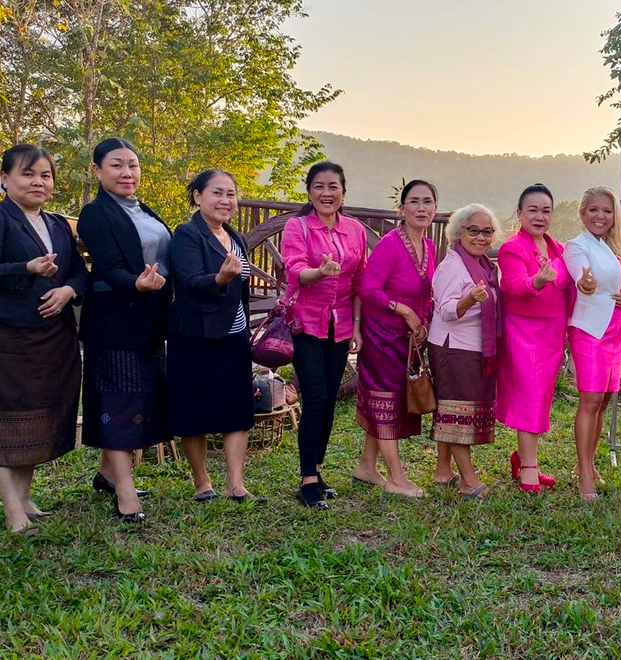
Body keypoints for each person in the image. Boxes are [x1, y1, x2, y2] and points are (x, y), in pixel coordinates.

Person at [77, 138, 172, 523]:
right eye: (116, 165)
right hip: (114, 324)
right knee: (117, 402)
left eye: (132, 165)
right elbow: (110, 267)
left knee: (140, 398)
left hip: (149, 321)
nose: (127, 173)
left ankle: (107, 474)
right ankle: (125, 491)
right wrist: (137, 283)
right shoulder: (95, 214)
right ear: (97, 170)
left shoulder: (143, 209)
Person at [0, 145, 88, 533]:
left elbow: (79, 273)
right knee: (10, 421)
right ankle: (13, 513)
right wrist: (27, 267)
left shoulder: (57, 225)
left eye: (45, 175)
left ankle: (24, 498)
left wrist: (68, 290)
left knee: (36, 419)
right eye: (28, 174)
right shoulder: (2, 218)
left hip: (55, 337)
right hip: (12, 336)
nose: (38, 182)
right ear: (5, 179)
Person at [167, 169, 263, 504]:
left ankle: (236, 484)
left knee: (237, 409)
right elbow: (190, 283)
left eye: (231, 194)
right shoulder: (187, 234)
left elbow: (242, 290)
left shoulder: (236, 237)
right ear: (198, 196)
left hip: (234, 336)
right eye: (217, 193)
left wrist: (245, 328)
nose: (225, 201)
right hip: (194, 336)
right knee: (193, 409)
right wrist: (220, 279)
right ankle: (202, 483)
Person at [282, 161, 366, 510]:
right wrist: (319, 272)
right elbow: (295, 270)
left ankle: (317, 471)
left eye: (333, 187)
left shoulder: (356, 230)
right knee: (316, 398)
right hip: (306, 323)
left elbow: (359, 283)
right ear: (309, 191)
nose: (326, 193)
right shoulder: (297, 226)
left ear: (343, 193)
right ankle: (306, 481)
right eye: (319, 186)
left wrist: (357, 327)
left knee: (329, 399)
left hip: (341, 325)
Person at [354, 180, 438, 498]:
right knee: (385, 400)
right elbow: (368, 290)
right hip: (381, 334)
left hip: (407, 336)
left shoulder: (429, 247)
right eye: (414, 201)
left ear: (435, 208)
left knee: (390, 401)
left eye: (427, 201)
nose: (421, 208)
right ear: (401, 209)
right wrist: (404, 310)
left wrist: (423, 318)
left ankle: (367, 466)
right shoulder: (390, 244)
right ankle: (397, 478)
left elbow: (427, 291)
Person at [497, 183, 573, 493]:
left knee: (541, 396)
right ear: (520, 213)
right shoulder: (512, 248)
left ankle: (527, 459)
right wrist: (537, 282)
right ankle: (528, 467)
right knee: (528, 395)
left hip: (554, 331)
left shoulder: (559, 250)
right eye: (533, 210)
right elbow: (514, 286)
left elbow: (570, 288)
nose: (540, 216)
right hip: (524, 331)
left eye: (546, 211)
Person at [563, 187, 621, 500]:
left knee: (604, 400)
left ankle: (588, 464)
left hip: (616, 328)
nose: (600, 216)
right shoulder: (576, 246)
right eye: (593, 209)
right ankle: (584, 476)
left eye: (607, 210)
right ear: (582, 213)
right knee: (590, 399)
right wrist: (586, 282)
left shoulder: (615, 247)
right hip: (590, 329)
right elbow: (582, 277)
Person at [427, 203, 503, 498]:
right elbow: (446, 311)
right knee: (457, 415)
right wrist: (470, 299)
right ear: (459, 232)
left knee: (451, 410)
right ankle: (469, 481)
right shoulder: (452, 267)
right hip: (453, 348)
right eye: (474, 231)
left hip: (472, 347)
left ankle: (443, 471)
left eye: (487, 231)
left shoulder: (484, 265)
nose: (481, 237)